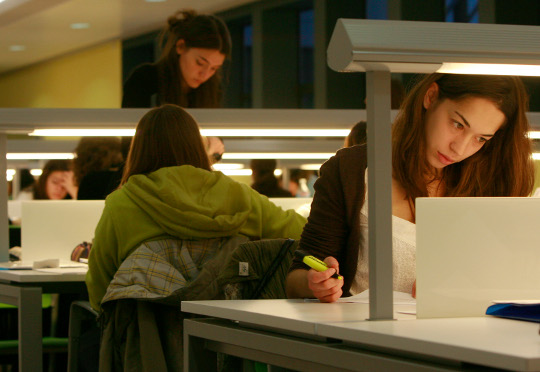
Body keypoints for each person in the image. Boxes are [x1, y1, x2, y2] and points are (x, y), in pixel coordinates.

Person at [286, 73, 535, 303]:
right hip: (365, 337)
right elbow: (296, 277)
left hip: (462, 339)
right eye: (458, 125)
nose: (460, 149)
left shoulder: (490, 185)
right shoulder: (350, 171)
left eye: (481, 139)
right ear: (431, 96)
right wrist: (315, 284)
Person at [86, 104, 307, 311]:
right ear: (196, 146)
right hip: (232, 338)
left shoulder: (122, 204)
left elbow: (100, 286)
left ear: (139, 150)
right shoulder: (239, 196)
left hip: (149, 342)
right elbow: (304, 233)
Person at [122, 9, 231, 109]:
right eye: (200, 63)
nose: (205, 75)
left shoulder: (213, 90)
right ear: (181, 47)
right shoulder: (145, 79)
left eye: (214, 68)